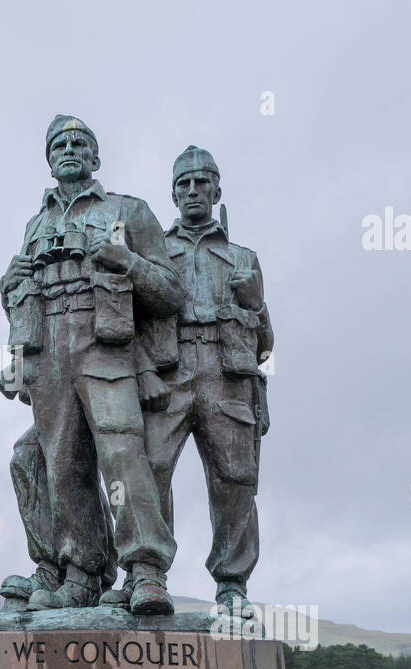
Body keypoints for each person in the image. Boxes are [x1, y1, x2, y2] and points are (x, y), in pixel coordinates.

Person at [0, 115, 183, 615]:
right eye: (60, 144)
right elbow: (20, 298)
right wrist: (5, 283)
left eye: (80, 143)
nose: (70, 149)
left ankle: (145, 570)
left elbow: (171, 294)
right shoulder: (37, 224)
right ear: (50, 160)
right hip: (49, 352)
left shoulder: (128, 210)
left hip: (104, 344)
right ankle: (81, 573)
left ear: (96, 158)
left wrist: (129, 262)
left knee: (122, 454)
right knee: (62, 466)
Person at [100, 146, 273, 617]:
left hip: (227, 375)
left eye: (202, 182)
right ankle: (147, 574)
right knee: (148, 471)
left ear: (218, 189)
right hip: (169, 374)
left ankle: (232, 584)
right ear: (173, 193)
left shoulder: (243, 257)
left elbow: (266, 345)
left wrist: (253, 302)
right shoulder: (156, 248)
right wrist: (142, 370)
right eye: (184, 183)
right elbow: (126, 319)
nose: (193, 190)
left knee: (235, 482)